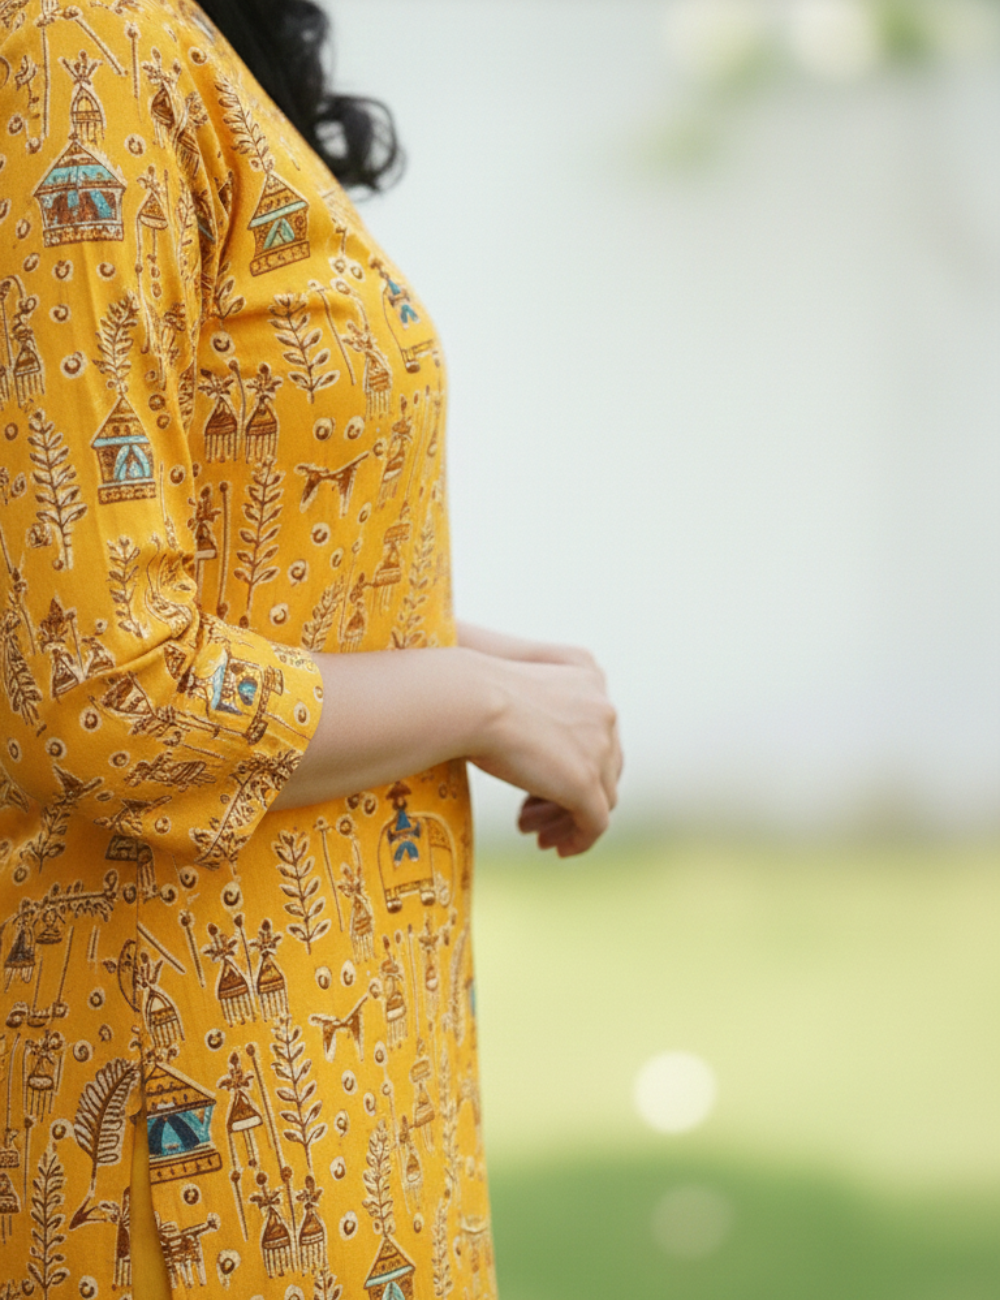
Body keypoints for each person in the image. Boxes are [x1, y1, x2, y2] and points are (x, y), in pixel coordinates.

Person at [0, 0, 621, 1294]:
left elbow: (182, 572)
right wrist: (477, 699)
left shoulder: (163, 43)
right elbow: (100, 693)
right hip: (187, 1109)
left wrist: (499, 675)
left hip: (329, 1082)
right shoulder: (81, 44)